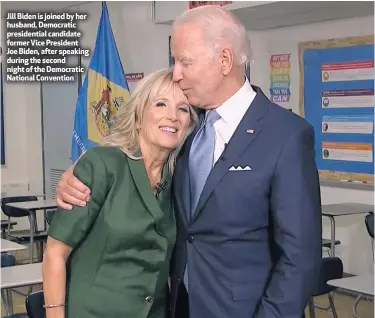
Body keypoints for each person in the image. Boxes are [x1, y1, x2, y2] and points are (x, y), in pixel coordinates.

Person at [55, 5, 322, 318]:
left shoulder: (286, 135)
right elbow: (136, 161)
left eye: (185, 61)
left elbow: (299, 258)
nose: (177, 73)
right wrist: (78, 169)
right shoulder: (185, 131)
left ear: (224, 60)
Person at [42, 69, 197, 318]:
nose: (172, 116)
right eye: (160, 104)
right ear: (138, 116)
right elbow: (55, 252)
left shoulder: (180, 179)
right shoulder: (102, 165)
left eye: (183, 109)